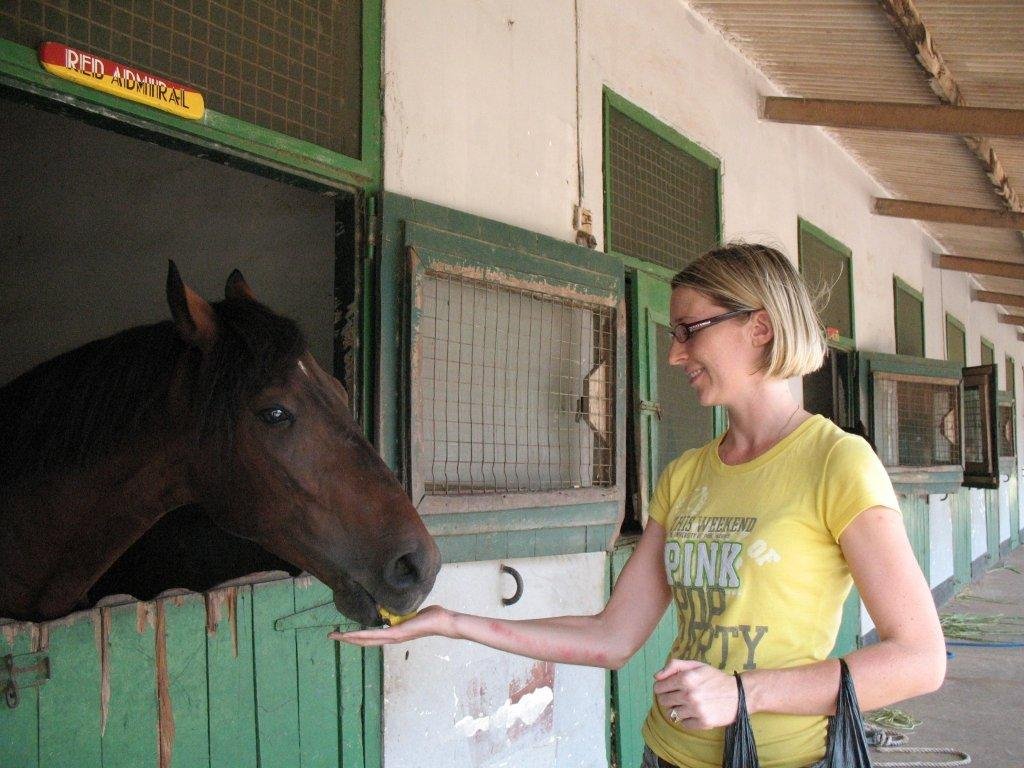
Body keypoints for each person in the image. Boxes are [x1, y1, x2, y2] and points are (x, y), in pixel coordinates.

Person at [331, 242, 946, 768]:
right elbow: (613, 635)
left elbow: (920, 660)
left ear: (759, 327)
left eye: (689, 330)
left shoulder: (836, 462)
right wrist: (454, 621)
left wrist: (742, 694)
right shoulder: (686, 475)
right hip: (665, 751)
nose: (675, 354)